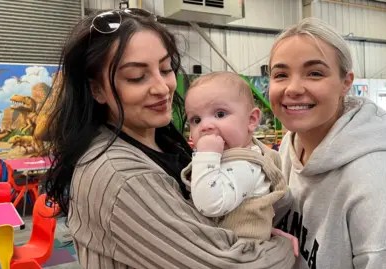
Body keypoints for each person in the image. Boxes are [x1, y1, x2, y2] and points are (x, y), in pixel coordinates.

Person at [43, 8, 295, 269]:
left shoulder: (161, 141)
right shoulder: (123, 177)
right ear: (97, 90)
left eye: (165, 69)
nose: (162, 88)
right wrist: (284, 246)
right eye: (137, 77)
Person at [269, 17, 386, 269]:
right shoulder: (288, 151)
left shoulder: (378, 185)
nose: (293, 88)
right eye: (280, 74)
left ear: (346, 83)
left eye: (314, 73)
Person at [181, 72, 289, 241]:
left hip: (241, 254)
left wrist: (207, 155)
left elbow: (210, 205)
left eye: (220, 114)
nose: (205, 126)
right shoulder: (228, 157)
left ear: (251, 120)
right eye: (196, 120)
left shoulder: (246, 164)